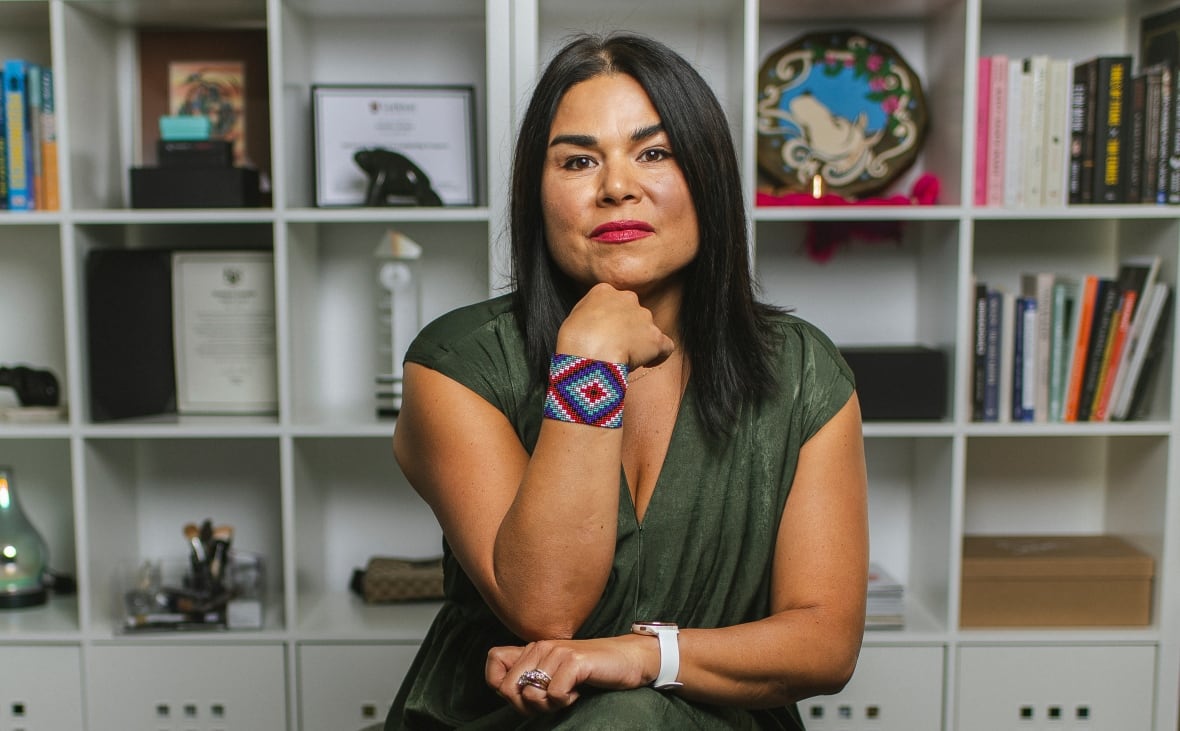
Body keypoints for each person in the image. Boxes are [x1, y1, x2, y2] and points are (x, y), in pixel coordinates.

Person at [384, 31, 868, 730]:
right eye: (579, 160)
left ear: (707, 175)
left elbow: (824, 643)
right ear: (536, 194)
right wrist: (588, 360)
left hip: (709, 718)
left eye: (654, 152)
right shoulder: (458, 362)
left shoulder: (801, 371)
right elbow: (549, 607)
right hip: (508, 718)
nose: (616, 186)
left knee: (632, 714)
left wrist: (642, 656)